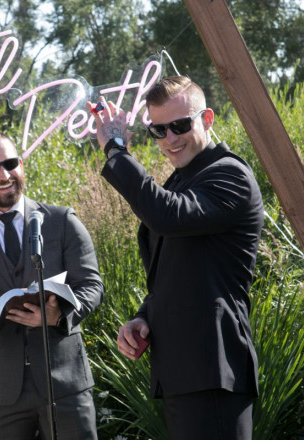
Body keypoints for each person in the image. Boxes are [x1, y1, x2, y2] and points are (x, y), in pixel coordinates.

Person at [88, 76, 263, 439]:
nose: (170, 138)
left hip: (213, 370)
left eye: (181, 125)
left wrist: (117, 153)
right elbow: (178, 270)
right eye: (159, 130)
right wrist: (144, 317)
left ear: (208, 119)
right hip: (181, 370)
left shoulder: (230, 174)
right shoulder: (182, 181)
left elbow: (166, 215)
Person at [0, 130, 104, 440]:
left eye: (10, 163)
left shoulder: (62, 221)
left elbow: (91, 285)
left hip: (64, 384)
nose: (4, 174)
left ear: (21, 165)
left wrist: (58, 315)